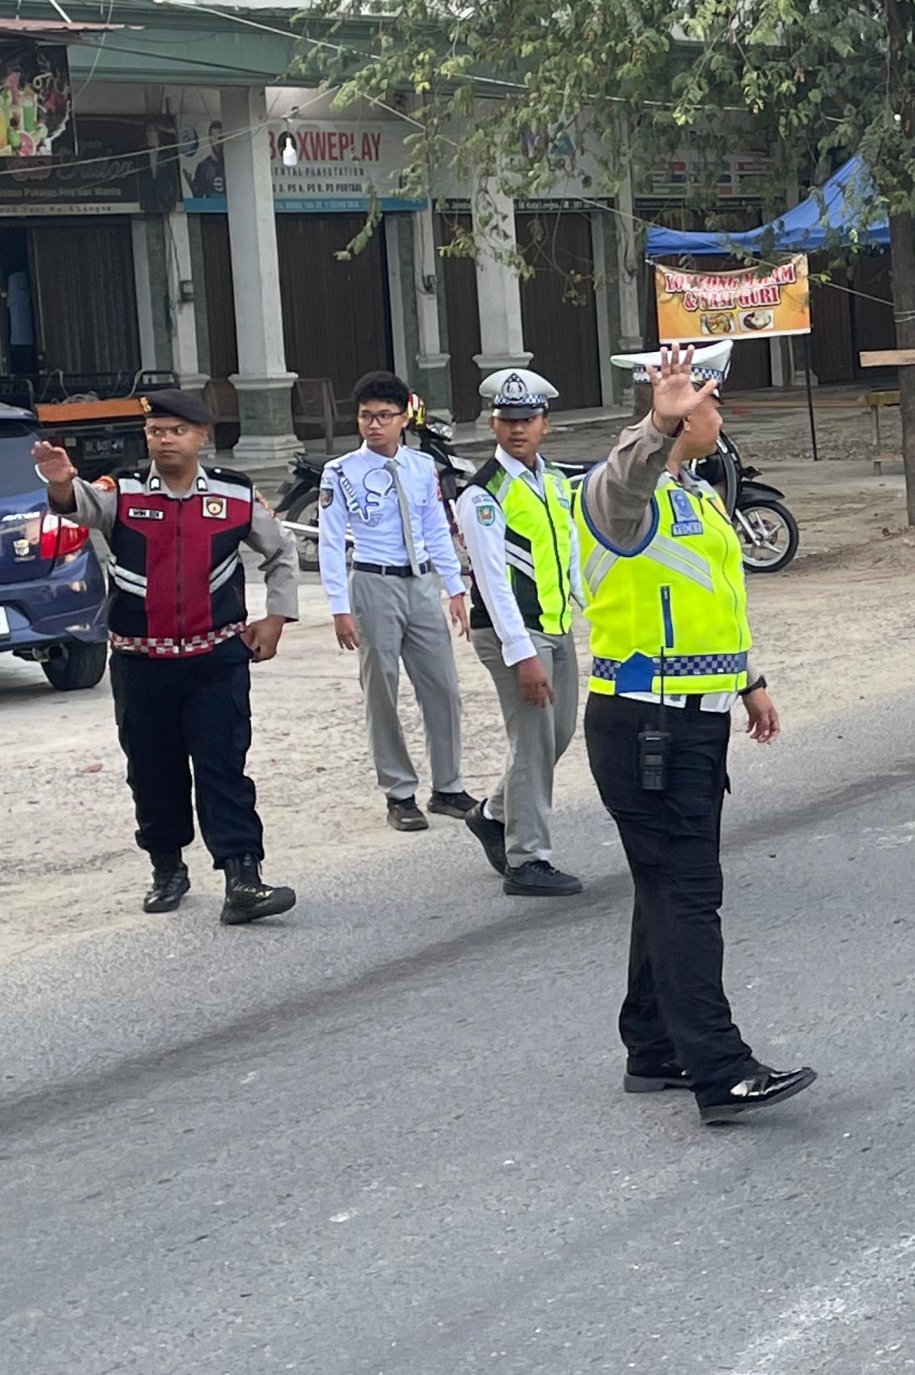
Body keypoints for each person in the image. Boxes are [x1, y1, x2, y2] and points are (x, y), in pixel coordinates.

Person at [579, 341, 814, 1123]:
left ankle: (652, 1047)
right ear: (680, 415)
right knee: (687, 893)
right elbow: (623, 480)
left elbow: (709, 599)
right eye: (711, 402)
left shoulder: (699, 495)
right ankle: (721, 1069)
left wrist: (747, 679)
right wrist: (655, 425)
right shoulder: (620, 493)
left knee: (666, 886)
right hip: (646, 723)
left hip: (691, 719)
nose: (721, 413)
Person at [32, 389, 299, 923]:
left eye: (177, 431)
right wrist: (60, 483)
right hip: (141, 663)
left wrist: (276, 618)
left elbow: (281, 551)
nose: (165, 440)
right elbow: (80, 505)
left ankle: (243, 877)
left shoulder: (235, 493)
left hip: (216, 659)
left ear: (202, 437)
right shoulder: (122, 490)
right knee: (153, 771)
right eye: (156, 431)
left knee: (223, 767)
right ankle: (167, 867)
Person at [319, 370, 475, 831]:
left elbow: (436, 529)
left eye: (384, 416)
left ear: (404, 417)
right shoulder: (341, 472)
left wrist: (455, 588)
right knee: (381, 690)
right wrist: (339, 607)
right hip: (373, 582)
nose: (375, 425)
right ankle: (399, 792)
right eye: (366, 416)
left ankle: (448, 786)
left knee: (443, 687)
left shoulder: (421, 466)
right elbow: (330, 542)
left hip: (420, 582)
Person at [454, 366, 585, 897]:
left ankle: (493, 814)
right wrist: (521, 652)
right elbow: (491, 581)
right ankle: (527, 859)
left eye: (527, 419)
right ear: (493, 423)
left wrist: (590, 606)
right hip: (514, 633)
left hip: (556, 625)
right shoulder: (483, 492)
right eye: (508, 420)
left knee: (558, 734)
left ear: (544, 423)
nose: (517, 428)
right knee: (532, 742)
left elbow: (569, 551)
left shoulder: (554, 481)